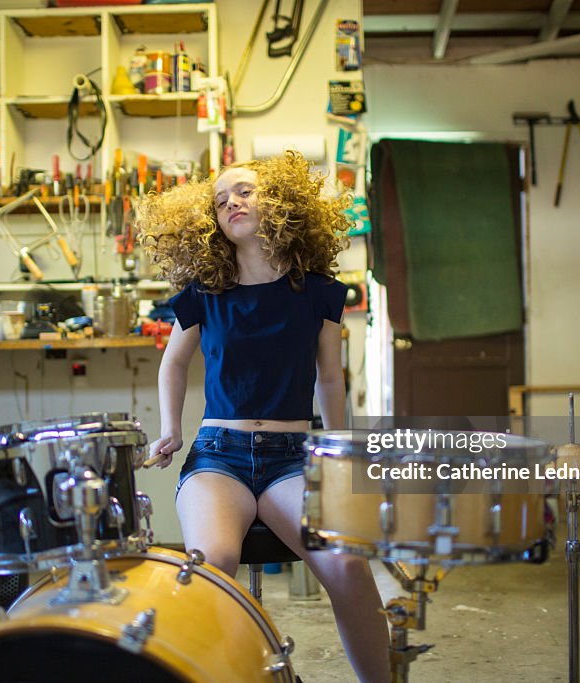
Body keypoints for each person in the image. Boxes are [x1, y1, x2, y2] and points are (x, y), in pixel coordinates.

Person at [135, 151, 389, 683]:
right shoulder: (204, 294)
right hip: (217, 457)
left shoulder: (319, 290)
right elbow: (172, 365)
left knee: (346, 566)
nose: (232, 203)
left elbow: (332, 378)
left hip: (292, 459)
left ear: (279, 202)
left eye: (244, 191)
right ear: (213, 223)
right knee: (212, 565)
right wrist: (170, 430)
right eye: (221, 200)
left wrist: (339, 446)